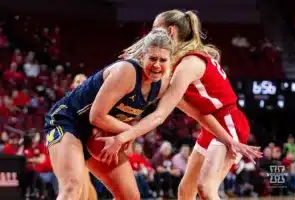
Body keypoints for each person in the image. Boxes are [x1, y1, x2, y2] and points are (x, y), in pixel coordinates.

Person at [97, 9, 263, 200]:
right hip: (212, 126)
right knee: (185, 191)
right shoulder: (176, 63)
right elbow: (195, 112)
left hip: (229, 122)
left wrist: (125, 135)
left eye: (154, 29)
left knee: (206, 187)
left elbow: (161, 114)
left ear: (170, 32)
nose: (151, 35)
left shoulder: (188, 64)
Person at [44, 29, 174, 200]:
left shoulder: (161, 85)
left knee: (130, 196)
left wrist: (128, 133)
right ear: (142, 56)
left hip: (99, 132)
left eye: (162, 60)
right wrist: (129, 133)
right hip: (69, 121)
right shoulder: (127, 71)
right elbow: (96, 116)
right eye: (152, 58)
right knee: (72, 187)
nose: (157, 65)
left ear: (170, 60)